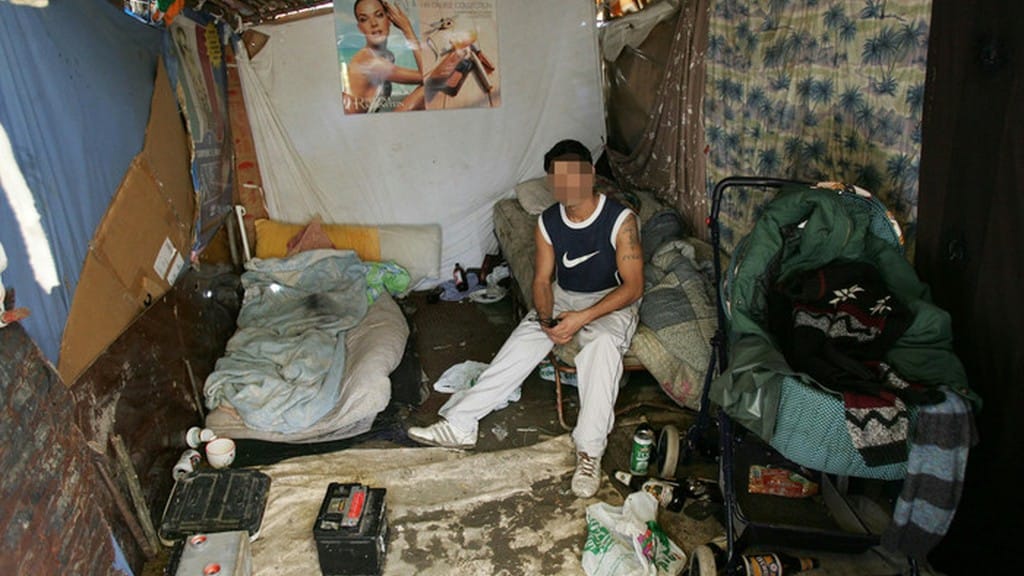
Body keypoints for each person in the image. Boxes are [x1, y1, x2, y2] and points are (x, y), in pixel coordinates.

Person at [407, 140, 644, 498]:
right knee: (523, 340)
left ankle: (589, 452)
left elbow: (634, 286)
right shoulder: (548, 222)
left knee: (602, 345)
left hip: (611, 301)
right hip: (565, 295)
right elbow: (542, 280)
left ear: (591, 174)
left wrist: (581, 319)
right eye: (558, 178)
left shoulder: (620, 220)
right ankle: (461, 423)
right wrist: (547, 319)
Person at [343, 0, 426, 114]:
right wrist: (407, 28)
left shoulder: (387, 56)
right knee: (429, 88)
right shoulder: (371, 62)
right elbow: (428, 77)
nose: (373, 23)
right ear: (360, 28)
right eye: (364, 19)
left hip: (365, 121)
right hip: (350, 123)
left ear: (389, 19)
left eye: (379, 15)